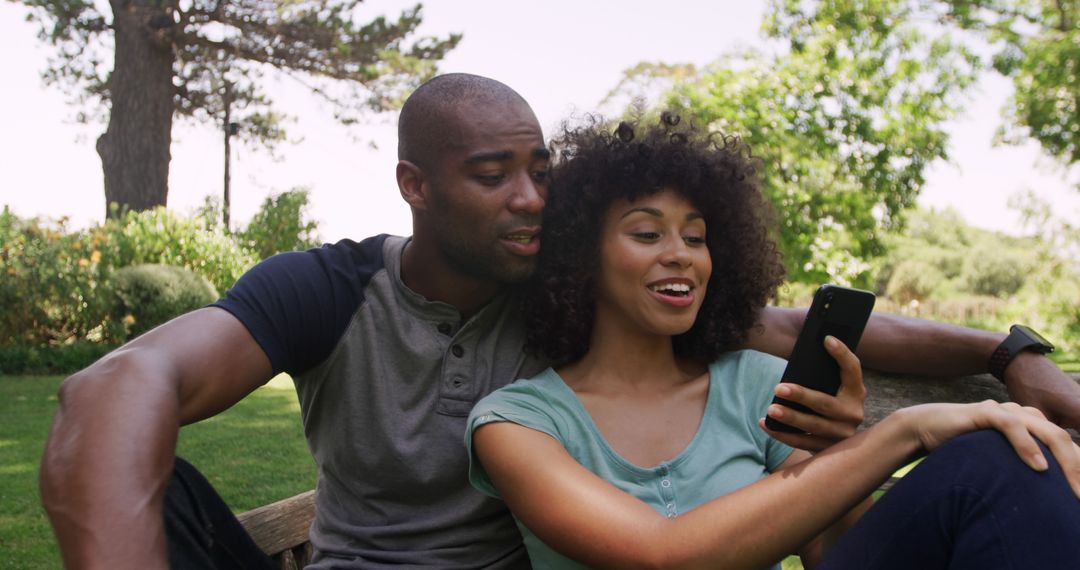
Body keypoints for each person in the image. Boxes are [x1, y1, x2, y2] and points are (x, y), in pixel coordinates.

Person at [38, 74, 1080, 569]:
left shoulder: (570, 297)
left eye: (541, 170)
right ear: (415, 185)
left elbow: (783, 323)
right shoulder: (330, 288)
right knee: (136, 453)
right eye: (493, 175)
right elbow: (119, 384)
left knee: (1006, 476)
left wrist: (1007, 352)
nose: (531, 196)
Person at [466, 114, 1080, 569]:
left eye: (697, 237)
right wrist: (900, 432)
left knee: (1002, 456)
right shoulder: (518, 423)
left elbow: (835, 555)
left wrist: (839, 455)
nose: (680, 255)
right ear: (581, 257)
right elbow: (659, 557)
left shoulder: (754, 383)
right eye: (647, 234)